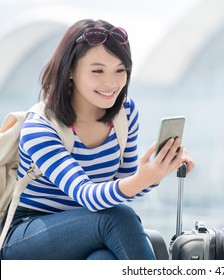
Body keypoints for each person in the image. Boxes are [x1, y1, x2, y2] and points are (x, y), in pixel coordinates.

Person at [0, 19, 194, 260]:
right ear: (70, 70)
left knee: (103, 260)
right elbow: (87, 195)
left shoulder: (125, 113)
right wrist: (144, 178)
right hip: (28, 234)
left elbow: (126, 186)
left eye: (120, 70)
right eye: (97, 70)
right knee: (118, 216)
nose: (111, 83)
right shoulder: (40, 127)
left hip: (92, 228)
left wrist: (158, 170)